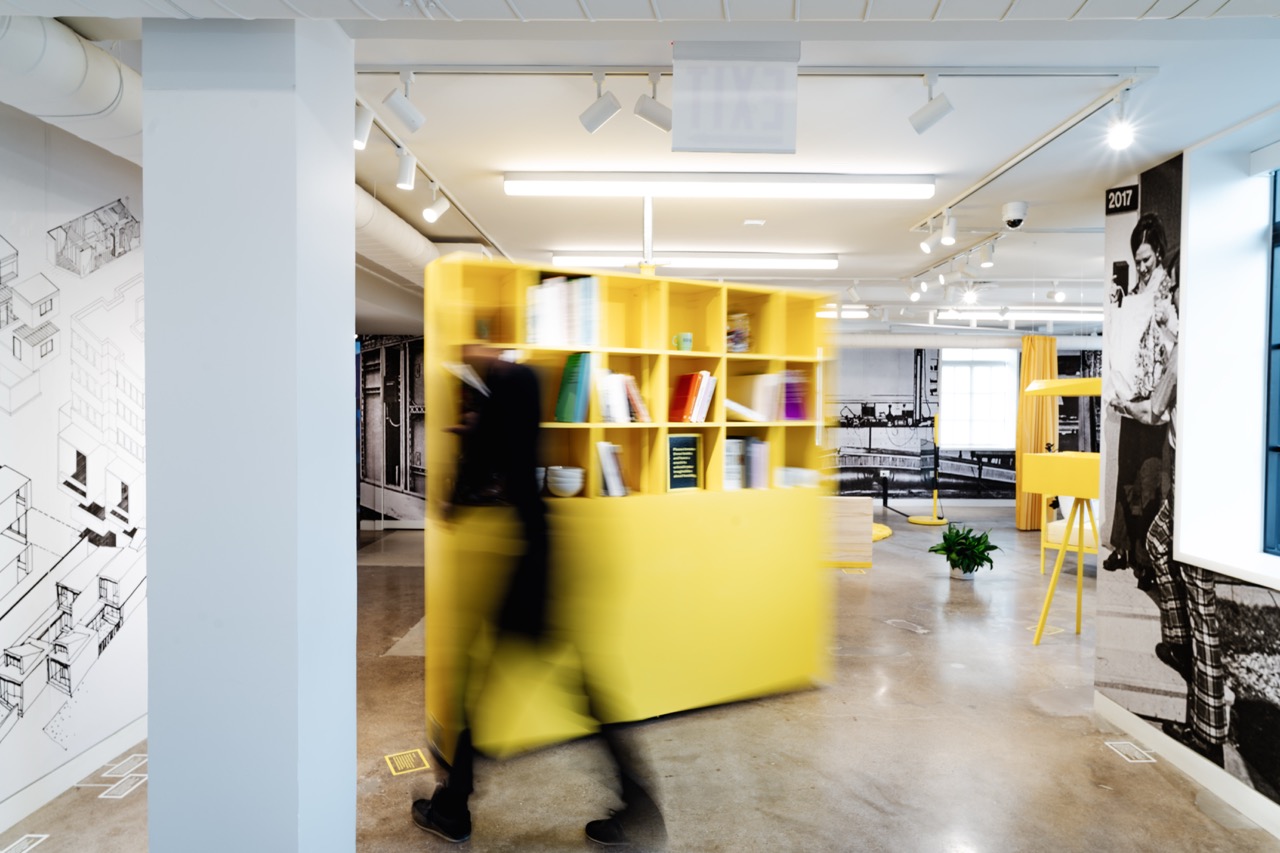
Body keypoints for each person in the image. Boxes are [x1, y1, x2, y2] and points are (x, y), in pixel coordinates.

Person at [411, 348, 665, 847]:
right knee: (574, 689)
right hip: (543, 559)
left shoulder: (516, 396)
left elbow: (502, 411)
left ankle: (454, 808)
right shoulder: (520, 422)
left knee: (484, 691)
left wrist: (483, 373)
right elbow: (500, 426)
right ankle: (636, 806)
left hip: (531, 569)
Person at [1103, 212, 1177, 592]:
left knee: (1148, 481)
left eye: (1147, 259)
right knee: (1125, 477)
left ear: (1160, 253)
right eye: (1137, 261)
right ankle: (1125, 547)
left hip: (1154, 403)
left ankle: (1147, 559)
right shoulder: (1135, 293)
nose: (1142, 267)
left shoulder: (1167, 294)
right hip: (1129, 397)